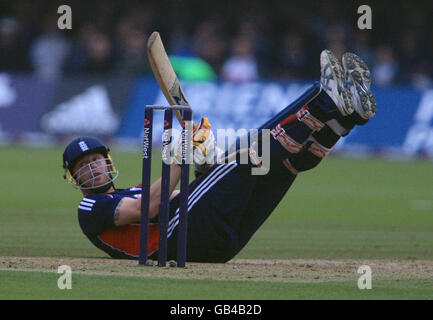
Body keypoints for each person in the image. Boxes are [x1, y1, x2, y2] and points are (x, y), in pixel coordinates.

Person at [62, 50, 377, 262]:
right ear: (74, 178)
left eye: (94, 160)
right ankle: (323, 100)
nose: (91, 168)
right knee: (246, 155)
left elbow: (186, 196)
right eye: (82, 166)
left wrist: (203, 165)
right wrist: (180, 152)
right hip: (179, 241)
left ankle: (342, 118)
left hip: (218, 241)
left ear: (107, 160)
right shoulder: (90, 207)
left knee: (273, 169)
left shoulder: (131, 189)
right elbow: (152, 207)